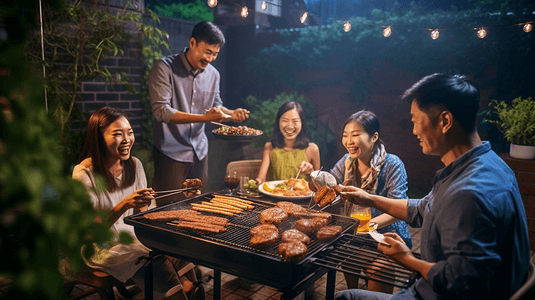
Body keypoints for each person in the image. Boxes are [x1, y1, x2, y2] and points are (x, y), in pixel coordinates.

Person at [336, 74, 530, 300]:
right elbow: (422, 208)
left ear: (445, 121)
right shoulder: (489, 164)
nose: (414, 130)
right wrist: (369, 199)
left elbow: (462, 282)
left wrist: (408, 260)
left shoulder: (468, 192)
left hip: (431, 294)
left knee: (345, 297)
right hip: (429, 287)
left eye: (415, 120)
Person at [72, 107, 200, 300]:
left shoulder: (134, 164)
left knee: (178, 249)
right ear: (98, 138)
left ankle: (187, 289)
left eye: (129, 133)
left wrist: (181, 197)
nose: (127, 140)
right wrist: (123, 205)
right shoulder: (84, 174)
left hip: (134, 237)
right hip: (102, 247)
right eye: (117, 134)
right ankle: (180, 292)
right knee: (156, 260)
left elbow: (143, 214)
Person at [148, 21, 249, 206]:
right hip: (171, 152)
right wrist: (204, 118)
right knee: (170, 209)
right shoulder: (164, 68)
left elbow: (216, 106)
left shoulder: (213, 75)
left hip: (200, 151)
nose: (210, 59)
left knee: (197, 204)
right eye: (207, 52)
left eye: (215, 54)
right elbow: (161, 111)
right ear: (192, 43)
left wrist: (231, 114)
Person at [314, 110, 412, 293]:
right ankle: (354, 293)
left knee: (377, 270)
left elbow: (400, 208)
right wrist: (316, 178)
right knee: (345, 254)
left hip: (387, 236)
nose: (349, 141)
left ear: (374, 137)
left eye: (355, 135)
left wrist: (367, 225)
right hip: (356, 235)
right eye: (345, 135)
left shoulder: (392, 164)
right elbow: (332, 185)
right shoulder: (347, 161)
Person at [255, 101, 320, 185]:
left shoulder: (312, 149)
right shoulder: (269, 147)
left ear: (302, 123)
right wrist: (255, 183)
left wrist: (312, 172)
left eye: (295, 121)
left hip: (303, 196)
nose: (290, 126)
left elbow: (319, 186)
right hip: (275, 195)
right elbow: (261, 179)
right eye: (285, 120)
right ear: (278, 122)